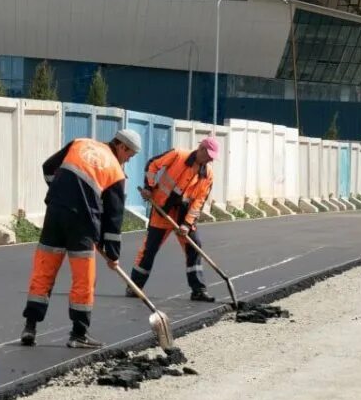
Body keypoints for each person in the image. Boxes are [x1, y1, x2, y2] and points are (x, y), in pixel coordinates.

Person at [20, 129, 140, 349]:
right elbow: (113, 218)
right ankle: (78, 334)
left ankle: (30, 327)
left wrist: (61, 192)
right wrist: (112, 254)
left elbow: (48, 168)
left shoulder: (80, 143)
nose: (128, 160)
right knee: (84, 279)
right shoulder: (115, 171)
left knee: (43, 272)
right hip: (82, 224)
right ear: (122, 147)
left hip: (55, 213)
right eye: (129, 155)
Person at [130, 137, 219, 302]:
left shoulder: (208, 174)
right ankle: (134, 286)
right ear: (201, 149)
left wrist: (187, 224)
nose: (210, 160)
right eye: (209, 155)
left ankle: (198, 290)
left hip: (183, 216)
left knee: (195, 247)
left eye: (212, 157)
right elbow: (152, 165)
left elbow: (199, 202)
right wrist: (149, 187)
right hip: (162, 211)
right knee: (150, 249)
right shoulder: (178, 155)